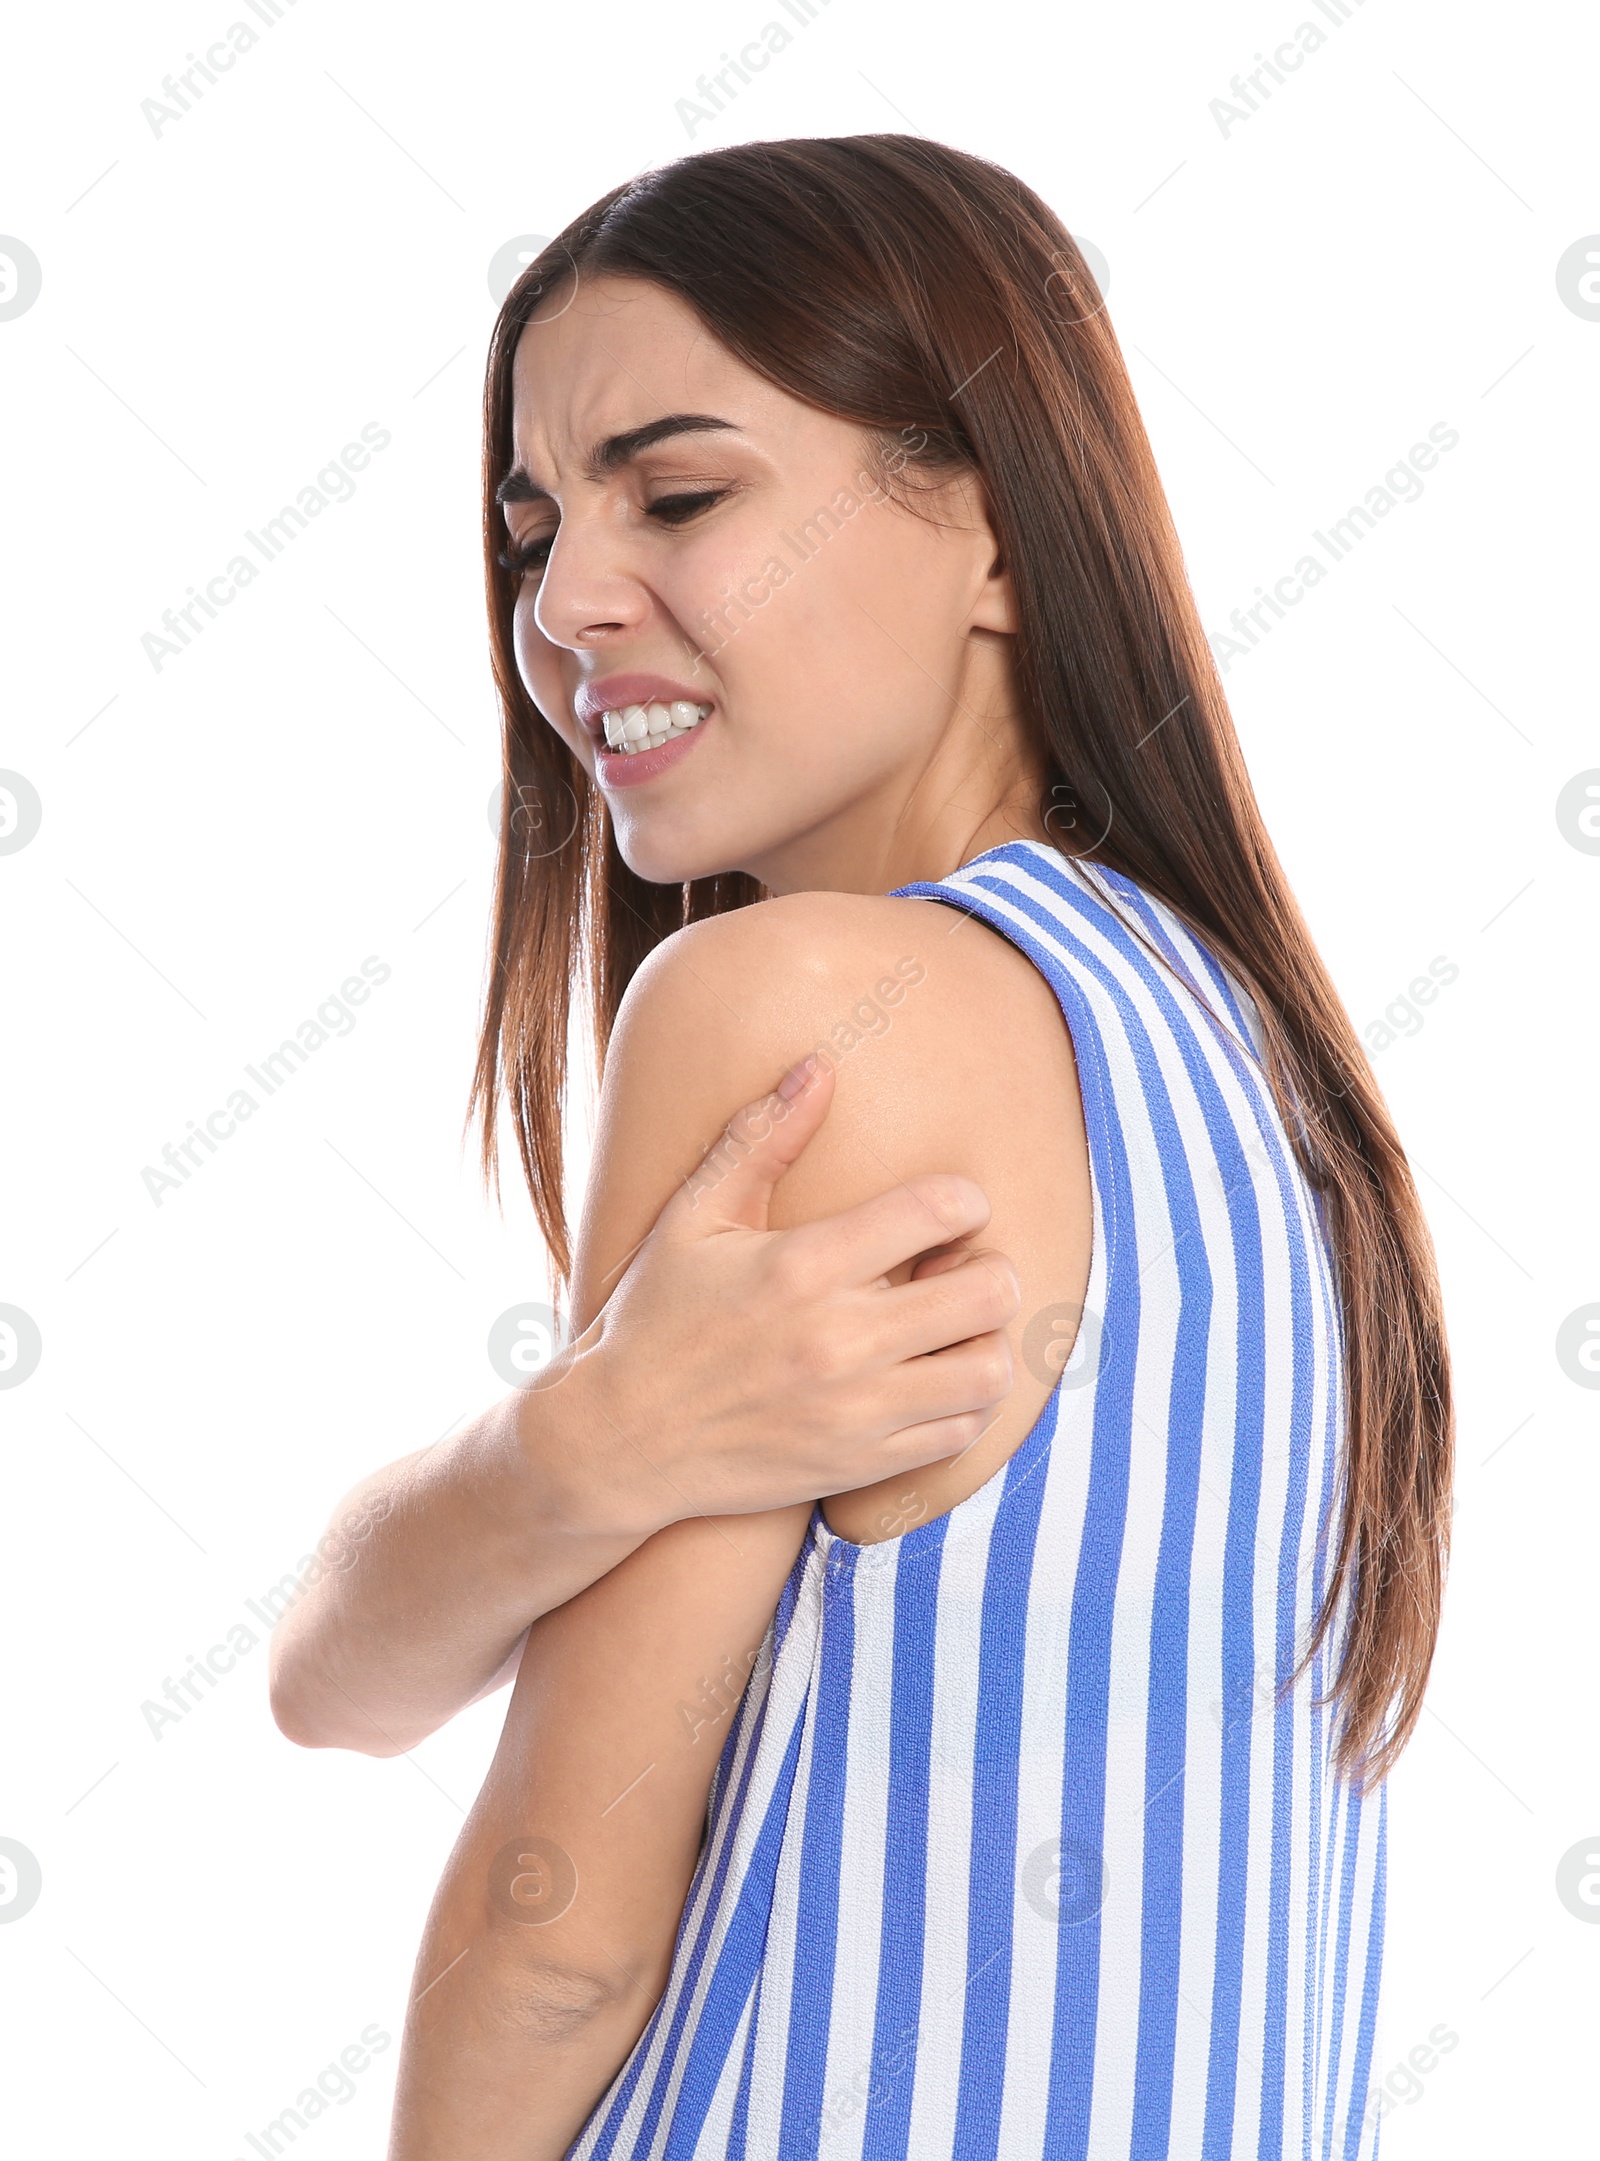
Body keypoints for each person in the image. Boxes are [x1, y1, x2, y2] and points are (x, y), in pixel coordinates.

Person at [273, 135, 1452, 2161]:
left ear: (990, 528)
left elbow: (559, 1926)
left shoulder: (792, 1017)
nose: (564, 604)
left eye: (683, 491)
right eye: (532, 532)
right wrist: (581, 1444)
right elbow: (334, 1680)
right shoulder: (1275, 1083)